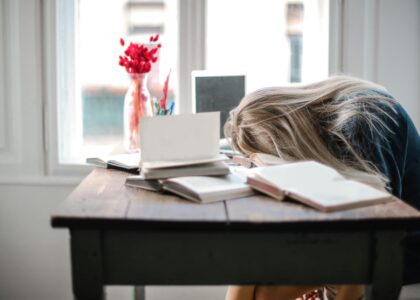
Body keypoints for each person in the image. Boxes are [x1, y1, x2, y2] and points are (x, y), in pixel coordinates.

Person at [223, 75, 420, 300]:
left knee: (262, 290)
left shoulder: (363, 121)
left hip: (403, 249)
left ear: (287, 142)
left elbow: (370, 239)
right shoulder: (334, 117)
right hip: (359, 241)